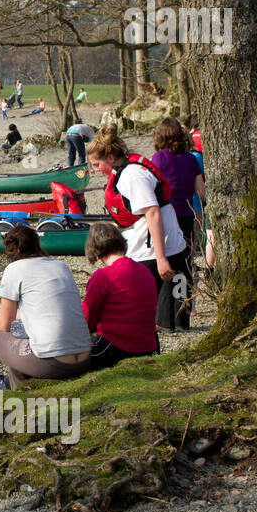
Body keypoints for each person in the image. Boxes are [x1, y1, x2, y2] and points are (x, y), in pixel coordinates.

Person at [0, 226, 92, 394]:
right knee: (21, 335)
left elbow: (4, 325)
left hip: (52, 363)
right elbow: (37, 312)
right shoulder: (60, 266)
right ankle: (20, 396)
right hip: (84, 357)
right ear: (37, 244)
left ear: (13, 250)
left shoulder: (14, 269)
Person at [87, 125, 189, 331]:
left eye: (96, 164)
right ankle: (174, 324)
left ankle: (165, 327)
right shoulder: (129, 168)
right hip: (171, 243)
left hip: (154, 248)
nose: (95, 170)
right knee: (175, 296)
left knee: (153, 298)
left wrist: (161, 258)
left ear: (110, 157)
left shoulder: (132, 176)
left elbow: (152, 212)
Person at [82, 223, 160, 370]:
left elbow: (87, 317)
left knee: (71, 362)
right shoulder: (144, 271)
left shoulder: (104, 276)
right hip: (149, 346)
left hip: (117, 347)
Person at [150, 117, 205, 288]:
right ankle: (187, 304)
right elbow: (201, 191)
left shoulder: (159, 158)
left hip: (167, 216)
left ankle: (169, 302)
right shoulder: (191, 158)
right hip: (188, 215)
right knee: (187, 261)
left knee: (168, 261)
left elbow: (151, 187)